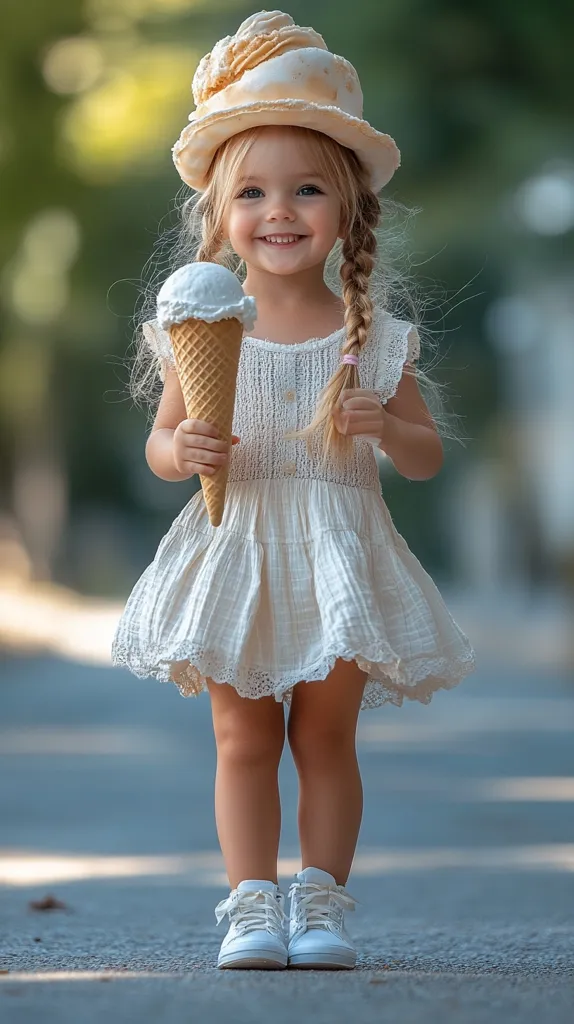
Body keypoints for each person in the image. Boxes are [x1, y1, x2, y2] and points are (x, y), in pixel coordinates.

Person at [112, 10, 476, 970]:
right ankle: (248, 906)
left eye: (308, 189)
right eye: (256, 193)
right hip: (237, 545)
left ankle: (321, 903)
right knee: (241, 739)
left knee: (325, 738)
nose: (281, 211)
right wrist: (181, 447)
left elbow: (429, 456)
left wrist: (386, 426)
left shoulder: (372, 340)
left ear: (349, 208)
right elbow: (160, 444)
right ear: (221, 214)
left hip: (337, 550)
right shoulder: (207, 327)